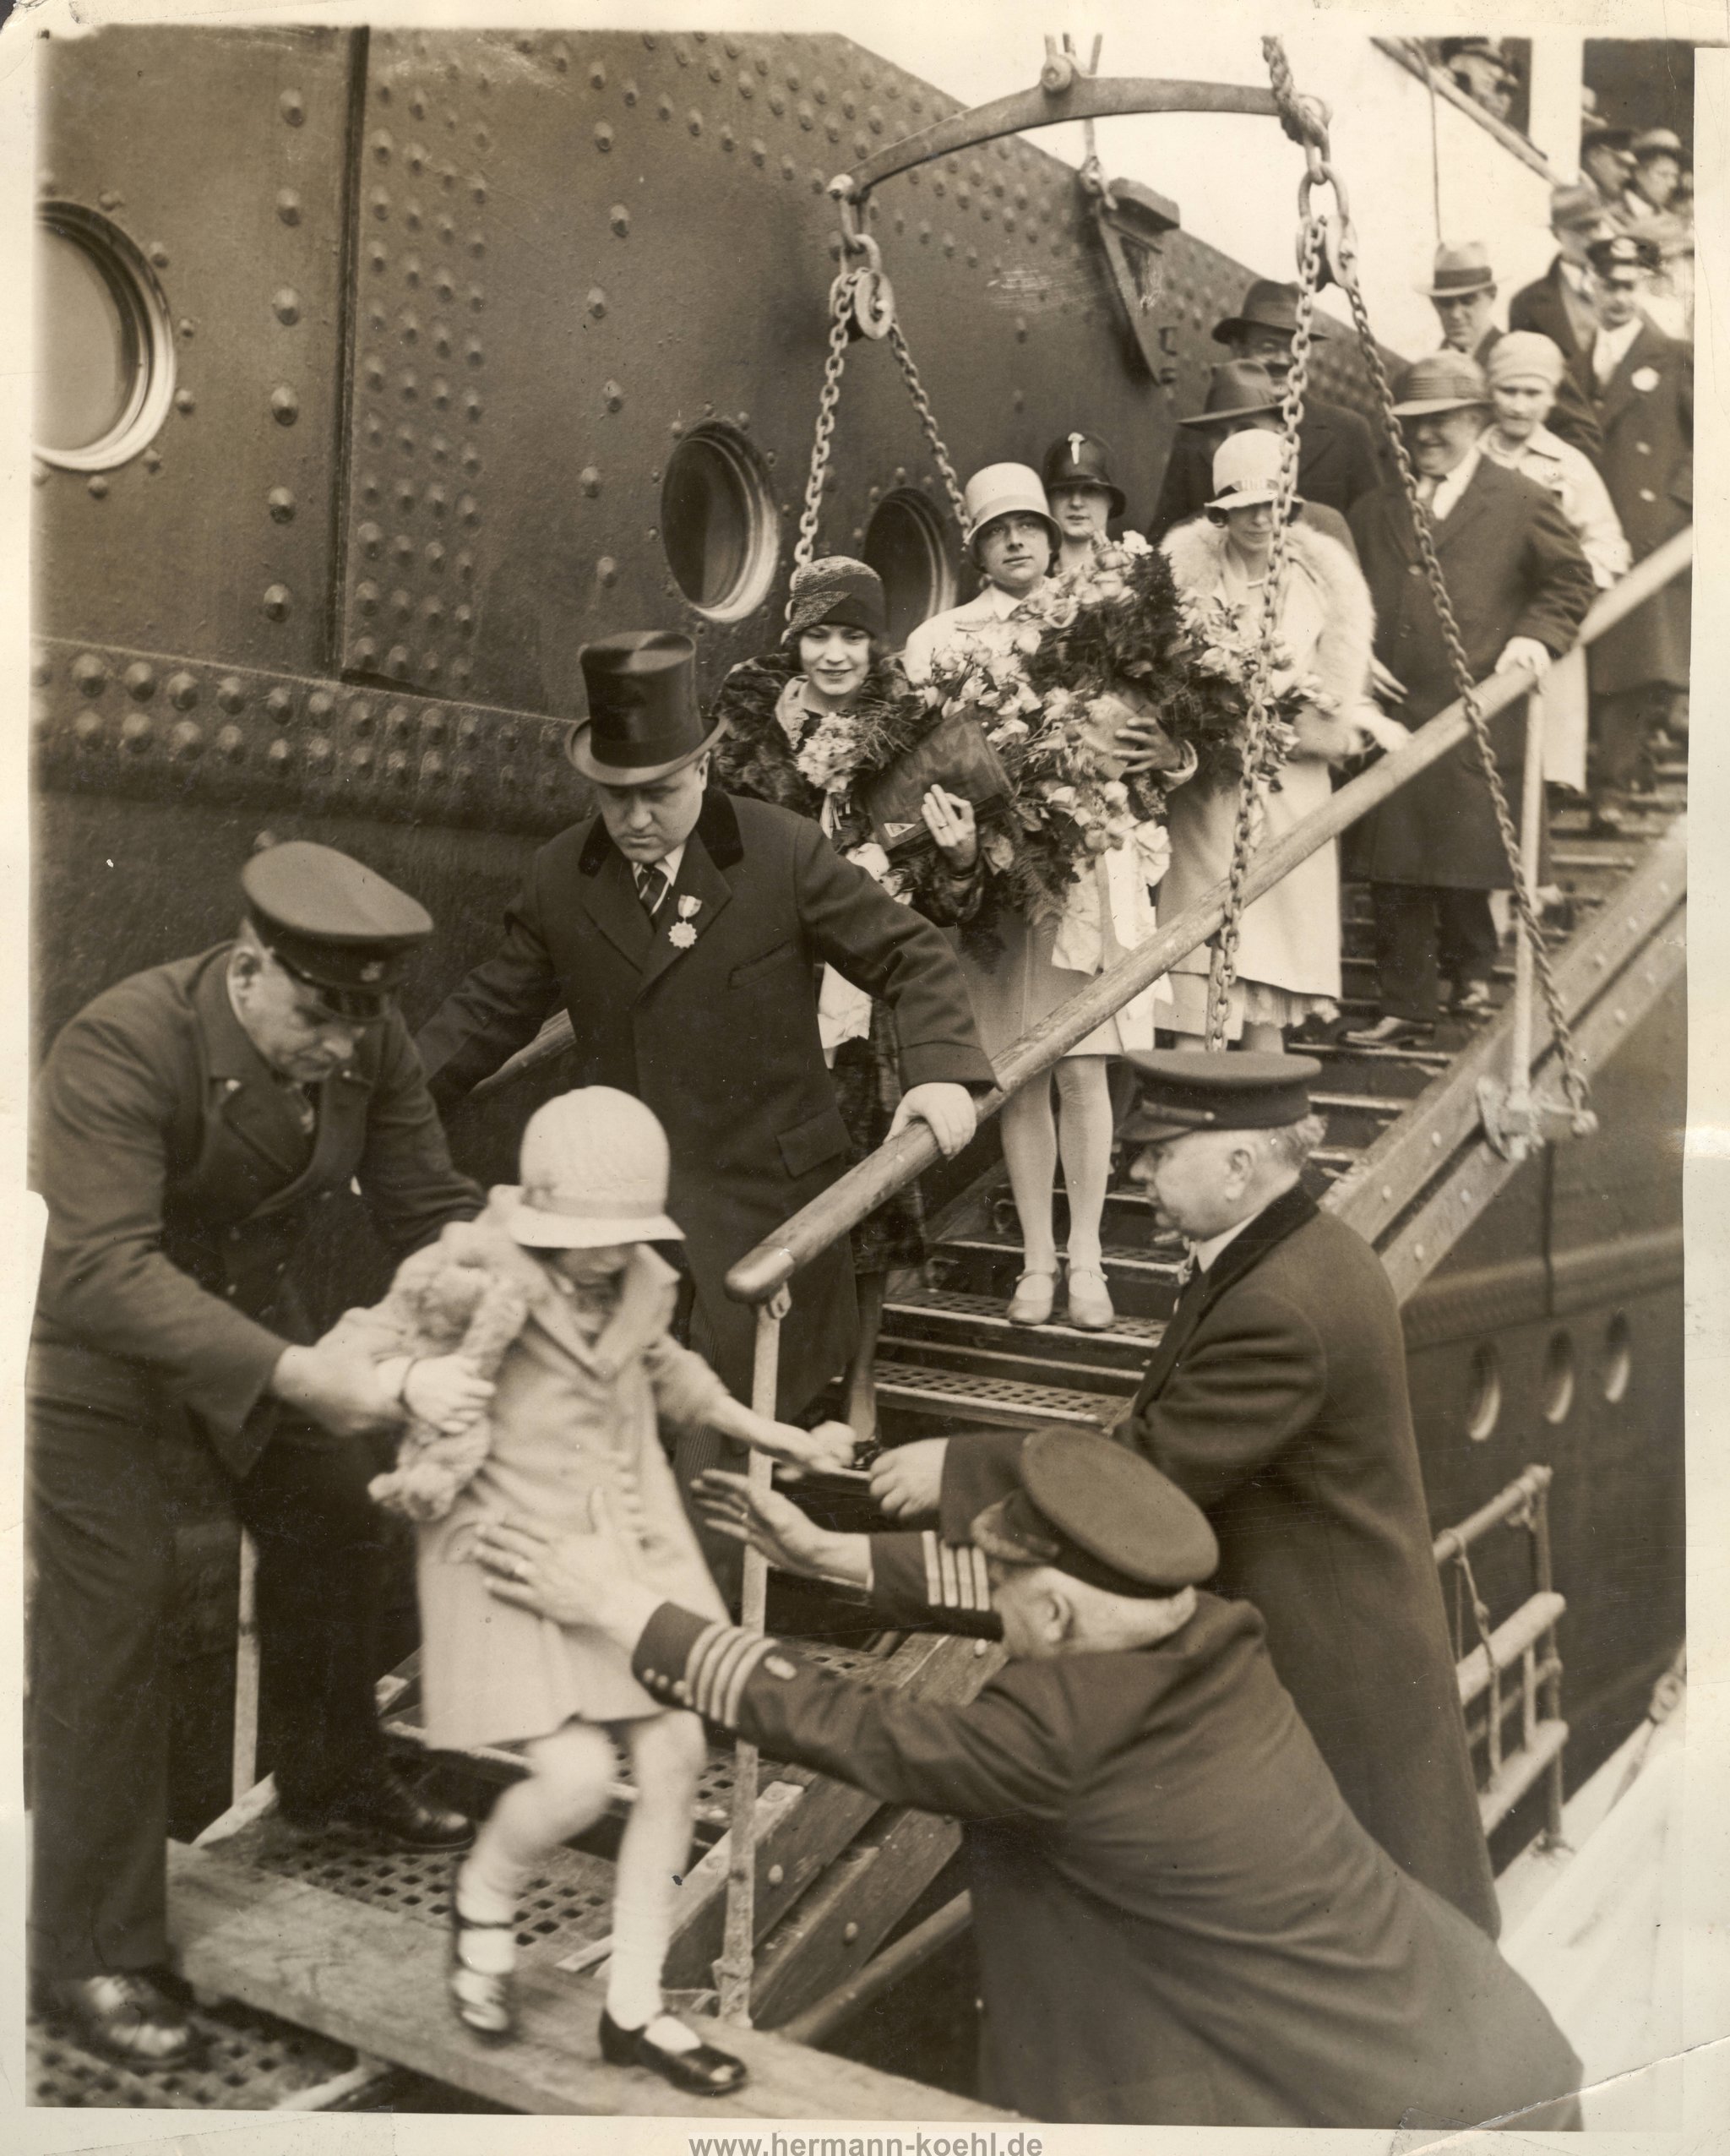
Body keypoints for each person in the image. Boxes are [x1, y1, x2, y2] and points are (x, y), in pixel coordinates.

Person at [474, 1428, 1584, 2128]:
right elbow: (1039, 1579)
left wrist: (627, 1613)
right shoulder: (1206, 1631)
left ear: (1051, 1613)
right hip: (1481, 2038)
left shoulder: (1054, 1738)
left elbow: (845, 1721)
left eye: (1011, 1590)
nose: (995, 1597)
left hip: (1417, 2117)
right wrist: (829, 1555)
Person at [28, 842, 484, 2067]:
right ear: (248, 968)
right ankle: (86, 1950)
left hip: (255, 1325)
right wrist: (299, 1371)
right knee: (115, 1611)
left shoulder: (365, 1035)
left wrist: (481, 1269)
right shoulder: (124, 1043)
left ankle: (331, 1778)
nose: (340, 1047)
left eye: (359, 1021)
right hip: (95, 1358)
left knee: (337, 1503)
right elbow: (100, 1269)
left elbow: (427, 1201)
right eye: (318, 1018)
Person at [877, 1051, 1504, 1939]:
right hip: (1328, 1652)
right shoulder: (1290, 1254)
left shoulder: (1280, 1303)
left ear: (1239, 1165)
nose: (1136, 1171)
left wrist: (956, 1469)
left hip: (1328, 1687)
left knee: (1360, 1944)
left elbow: (1149, 1471)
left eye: (1160, 1153)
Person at [414, 631, 993, 1577]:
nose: (636, 819)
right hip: (626, 1226)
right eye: (615, 797)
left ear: (702, 766)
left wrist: (939, 1072)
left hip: (761, 1208)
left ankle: (681, 1631)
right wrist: (380, 1106)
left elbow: (911, 954)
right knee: (625, 1459)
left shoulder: (778, 852)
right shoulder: (563, 874)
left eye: (658, 792)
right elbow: (484, 1013)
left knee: (706, 1476)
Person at [324, 1089, 852, 2089]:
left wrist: (775, 1434)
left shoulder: (636, 1280)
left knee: (675, 1752)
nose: (607, 1256)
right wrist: (406, 1383)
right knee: (570, 1779)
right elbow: (352, 1350)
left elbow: (668, 1370)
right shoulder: (468, 1272)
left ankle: (635, 2006)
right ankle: (484, 1894)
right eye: (586, 1238)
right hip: (509, 1553)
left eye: (623, 1235)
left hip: (623, 1547)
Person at [710, 556, 978, 1439]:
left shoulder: (912, 730)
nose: (834, 655)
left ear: (875, 642)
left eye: (852, 636)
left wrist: (960, 858)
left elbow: (947, 910)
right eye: (818, 635)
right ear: (793, 640)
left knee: (867, 1198)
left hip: (865, 1004)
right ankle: (774, 1391)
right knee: (770, 1190)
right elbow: (720, 844)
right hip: (770, 990)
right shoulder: (750, 724)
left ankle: (859, 1384)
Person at [906, 465, 1169, 1333]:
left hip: (1080, 871)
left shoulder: (1096, 621)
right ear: (975, 548)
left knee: (1084, 1067)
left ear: (1053, 539)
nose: (1015, 540)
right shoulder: (940, 638)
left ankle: (1086, 1256)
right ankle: (1035, 1260)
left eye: (1027, 525)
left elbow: (1154, 741)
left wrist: (1149, 758)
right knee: (1019, 1075)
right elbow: (923, 757)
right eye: (996, 530)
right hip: (999, 879)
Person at [1341, 352, 1595, 1046]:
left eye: (1443, 420)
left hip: (1475, 710)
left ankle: (1472, 973)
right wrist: (1355, 656)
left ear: (1478, 420)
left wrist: (1535, 639)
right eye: (1414, 422)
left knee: (1463, 851)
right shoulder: (1374, 509)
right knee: (1397, 866)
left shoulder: (1521, 498)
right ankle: (1405, 1004)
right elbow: (1345, 594)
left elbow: (1570, 581)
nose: (1426, 435)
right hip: (1393, 716)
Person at [1158, 432, 1382, 1051]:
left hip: (1292, 783)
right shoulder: (1187, 579)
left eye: (1271, 504)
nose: (1260, 519)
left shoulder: (1320, 580)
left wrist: (1300, 723)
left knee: (1271, 978)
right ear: (1220, 512)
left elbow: (1340, 686)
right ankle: (1195, 1091)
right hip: (1210, 790)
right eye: (1244, 506)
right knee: (1201, 964)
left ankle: (1262, 1097)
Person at [1580, 233, 1693, 830]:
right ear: (1591, 286)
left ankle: (1614, 787)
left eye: (1628, 286)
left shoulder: (1673, 356)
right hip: (1593, 529)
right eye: (1608, 286)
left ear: (1641, 287)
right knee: (1605, 659)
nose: (1618, 298)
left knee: (1632, 664)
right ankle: (1612, 775)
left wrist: (1678, 509)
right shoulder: (1576, 362)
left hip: (1651, 534)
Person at [1145, 280, 1384, 541]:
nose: (1282, 361)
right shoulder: (1195, 438)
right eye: (1268, 348)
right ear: (1239, 349)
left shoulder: (1348, 432)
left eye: (1295, 348)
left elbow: (1371, 534)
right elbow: (1165, 537)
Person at [1423, 240, 1600, 463]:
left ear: (1491, 295)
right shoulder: (1432, 370)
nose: (1456, 314)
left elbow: (1584, 438)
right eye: (1446, 303)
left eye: (1468, 300)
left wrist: (1524, 472)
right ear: (1434, 304)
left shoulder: (1526, 357)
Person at [1482, 333, 1631, 588]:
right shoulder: (1470, 454)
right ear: (1490, 391)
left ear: (1552, 397)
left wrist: (1563, 581)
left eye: (1533, 393)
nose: (1519, 407)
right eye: (1508, 391)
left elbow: (1609, 547)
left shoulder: (1569, 464)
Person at [1508, 182, 1617, 455]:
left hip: (1621, 439)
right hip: (1569, 442)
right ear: (1557, 233)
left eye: (1595, 226)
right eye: (1580, 228)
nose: (1591, 237)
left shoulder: (1623, 291)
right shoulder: (1528, 304)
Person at [1040, 429, 1127, 575]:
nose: (1076, 503)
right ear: (1049, 500)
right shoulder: (1031, 581)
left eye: (1090, 490)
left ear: (1111, 500)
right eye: (1064, 491)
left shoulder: (1136, 576)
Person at [1579, 115, 1635, 219]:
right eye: (1620, 164)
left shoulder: (1600, 197)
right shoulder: (1574, 187)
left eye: (1628, 168)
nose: (1627, 175)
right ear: (1594, 156)